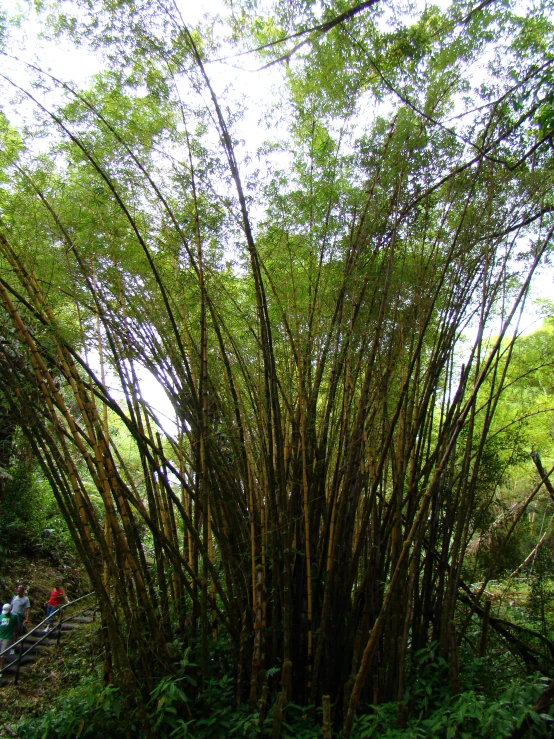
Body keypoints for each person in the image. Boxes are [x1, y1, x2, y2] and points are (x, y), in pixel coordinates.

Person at [0, 604, 19, 673]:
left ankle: (1, 669)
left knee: (3, 654)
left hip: (7, 637)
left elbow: (16, 627)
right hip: (0, 635)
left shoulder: (14, 616)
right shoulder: (1, 616)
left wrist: (15, 637)